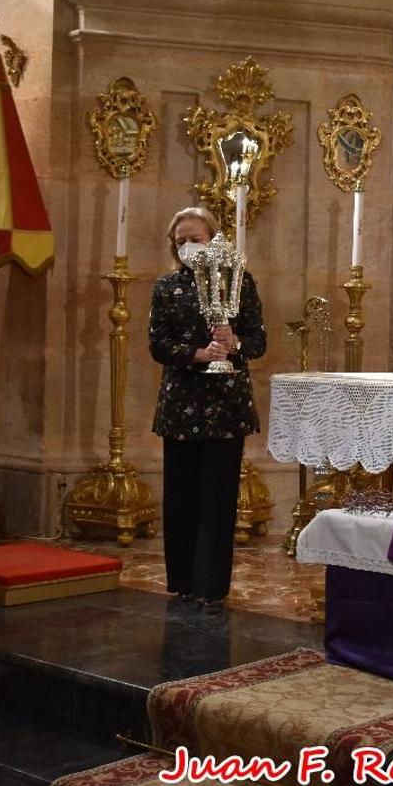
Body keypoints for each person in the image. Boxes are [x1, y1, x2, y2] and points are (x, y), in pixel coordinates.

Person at [149, 206, 266, 614]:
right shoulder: (168, 287)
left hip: (225, 406)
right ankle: (181, 581)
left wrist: (233, 342)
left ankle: (212, 586)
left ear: (213, 239)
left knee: (218, 501)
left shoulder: (239, 282)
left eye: (194, 239)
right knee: (180, 498)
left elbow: (259, 340)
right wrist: (197, 353)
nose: (187, 247)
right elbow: (158, 345)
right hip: (181, 405)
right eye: (180, 241)